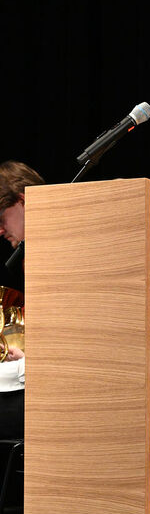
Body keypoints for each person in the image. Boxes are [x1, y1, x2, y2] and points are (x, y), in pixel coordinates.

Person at [0, 162, 44, 438]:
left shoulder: (61, 246)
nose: (0, 230)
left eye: (1, 217)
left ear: (23, 201)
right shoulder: (34, 253)